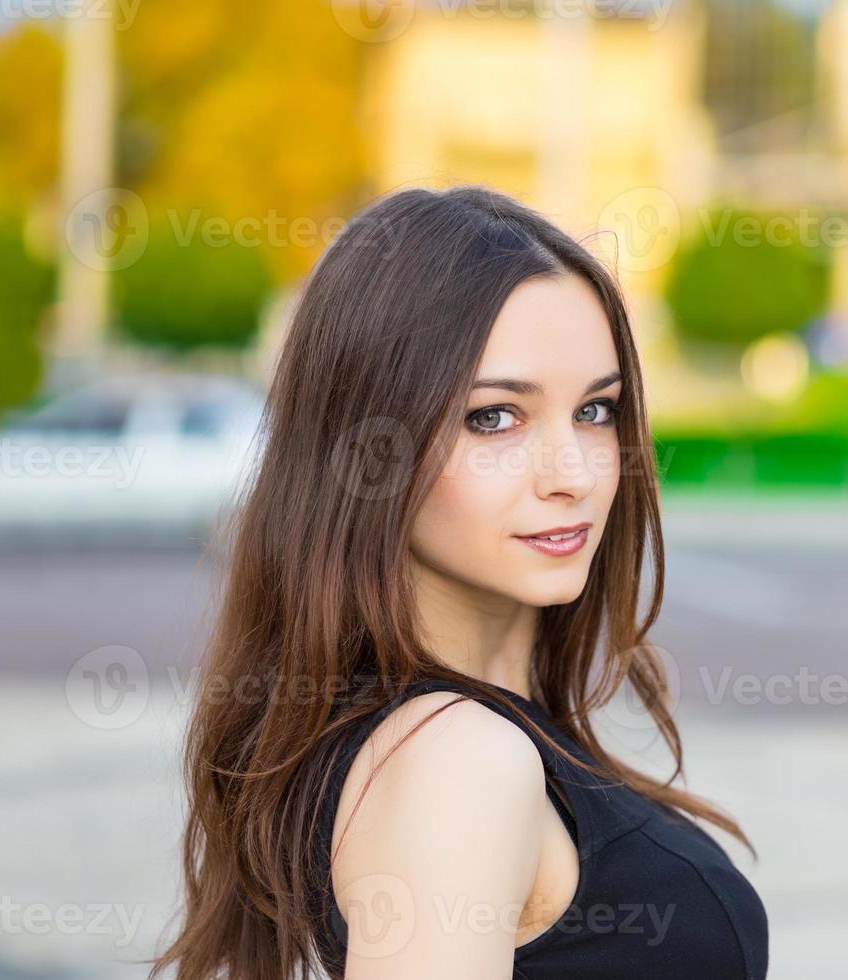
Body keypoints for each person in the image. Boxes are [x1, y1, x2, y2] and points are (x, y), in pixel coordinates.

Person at [148, 185, 770, 979]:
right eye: (494, 418)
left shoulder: (460, 733)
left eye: (597, 410)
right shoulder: (460, 762)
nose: (573, 473)